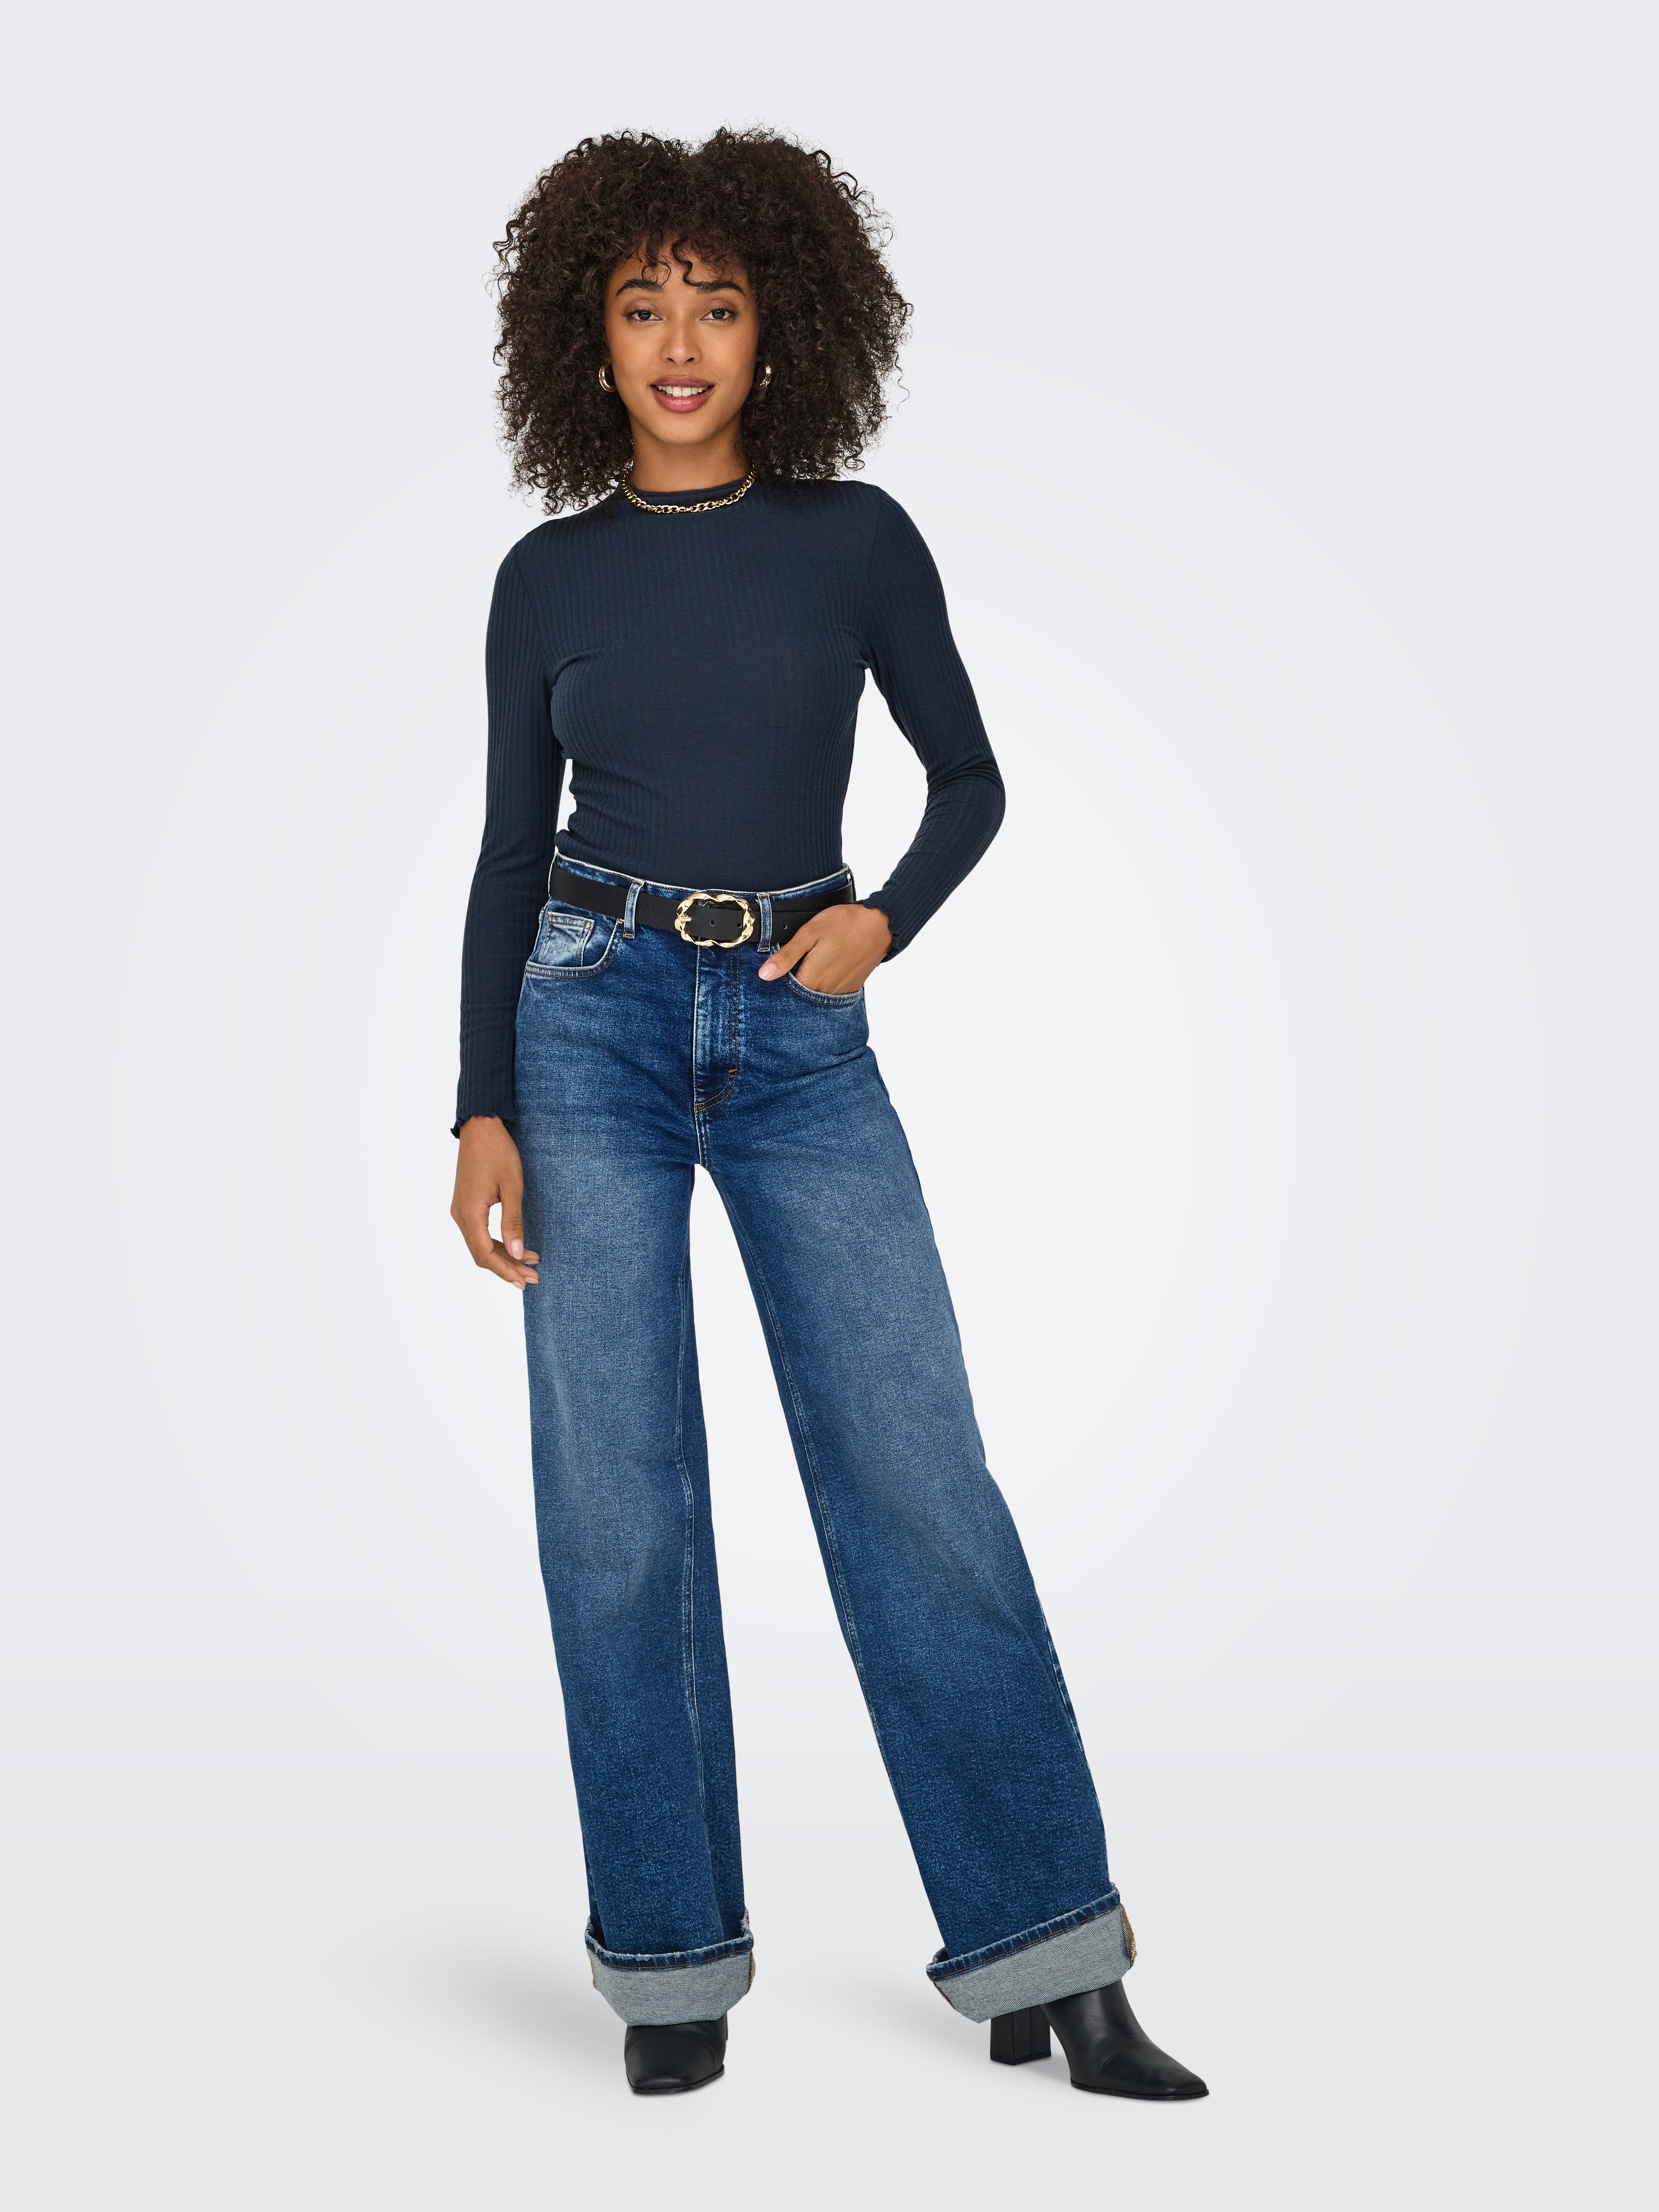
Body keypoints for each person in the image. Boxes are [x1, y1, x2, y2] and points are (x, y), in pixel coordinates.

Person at [450, 127, 1207, 2102]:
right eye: (641, 307)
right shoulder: (546, 578)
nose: (679, 342)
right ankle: (670, 1969)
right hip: (588, 1019)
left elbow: (971, 780)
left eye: (715, 303)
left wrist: (884, 921)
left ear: (778, 328)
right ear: (588, 342)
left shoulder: (855, 540)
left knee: (915, 1473)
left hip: (800, 1027)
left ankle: (1056, 1953)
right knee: (616, 1503)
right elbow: (507, 856)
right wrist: (479, 1106)